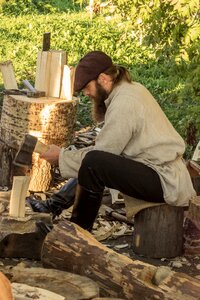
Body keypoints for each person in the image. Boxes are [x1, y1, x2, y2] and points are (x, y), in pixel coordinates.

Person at [27, 50, 196, 231]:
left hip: (165, 180)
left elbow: (102, 155)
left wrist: (61, 157)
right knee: (94, 160)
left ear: (103, 79)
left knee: (94, 163)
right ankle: (53, 205)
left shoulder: (125, 102)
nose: (85, 93)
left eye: (87, 87)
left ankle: (77, 233)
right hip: (155, 171)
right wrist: (66, 156)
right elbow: (104, 151)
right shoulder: (127, 90)